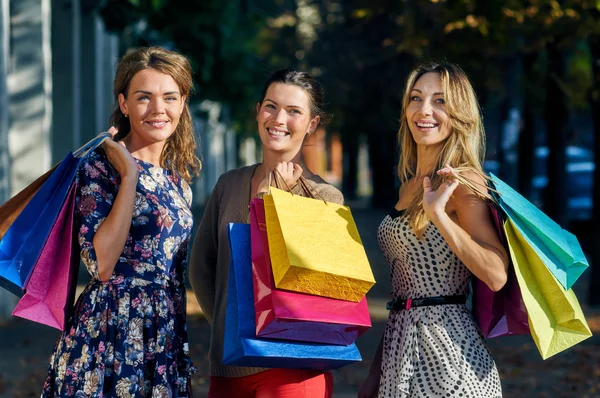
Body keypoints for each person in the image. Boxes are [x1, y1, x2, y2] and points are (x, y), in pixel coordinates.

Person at [42, 46, 201, 397]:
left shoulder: (178, 184)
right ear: (124, 104)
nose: (159, 109)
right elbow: (100, 265)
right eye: (144, 98)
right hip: (109, 333)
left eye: (170, 97)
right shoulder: (100, 168)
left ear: (183, 103)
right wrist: (128, 175)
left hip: (163, 337)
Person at [189, 69, 343, 398]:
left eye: (294, 111)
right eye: (271, 106)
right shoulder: (227, 185)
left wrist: (277, 205)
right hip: (230, 366)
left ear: (312, 124)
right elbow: (202, 269)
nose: (279, 119)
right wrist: (234, 327)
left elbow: (319, 287)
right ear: (258, 111)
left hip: (295, 367)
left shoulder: (325, 197)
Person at [358, 62, 508, 398]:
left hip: (452, 360)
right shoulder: (408, 187)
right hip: (400, 355)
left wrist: (438, 214)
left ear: (459, 114)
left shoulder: (464, 182)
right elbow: (404, 295)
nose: (424, 110)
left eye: (439, 101)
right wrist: (375, 373)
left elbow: (496, 274)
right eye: (416, 98)